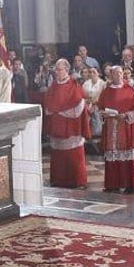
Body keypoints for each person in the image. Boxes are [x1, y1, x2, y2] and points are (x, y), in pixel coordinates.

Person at [42, 59, 89, 189]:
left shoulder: (74, 85)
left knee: (74, 155)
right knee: (58, 156)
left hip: (71, 126)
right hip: (57, 126)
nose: (56, 72)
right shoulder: (53, 87)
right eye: (55, 69)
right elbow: (48, 106)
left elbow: (79, 105)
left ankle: (78, 181)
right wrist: (56, 111)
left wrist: (62, 112)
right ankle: (58, 179)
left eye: (59, 69)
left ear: (67, 70)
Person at [97, 65, 134, 193]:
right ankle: (113, 184)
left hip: (126, 127)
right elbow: (100, 109)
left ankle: (129, 184)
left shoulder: (130, 90)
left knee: (126, 154)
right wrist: (104, 114)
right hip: (111, 127)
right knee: (112, 154)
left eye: (120, 73)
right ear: (110, 75)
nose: (118, 75)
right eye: (115, 73)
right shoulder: (106, 91)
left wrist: (126, 115)